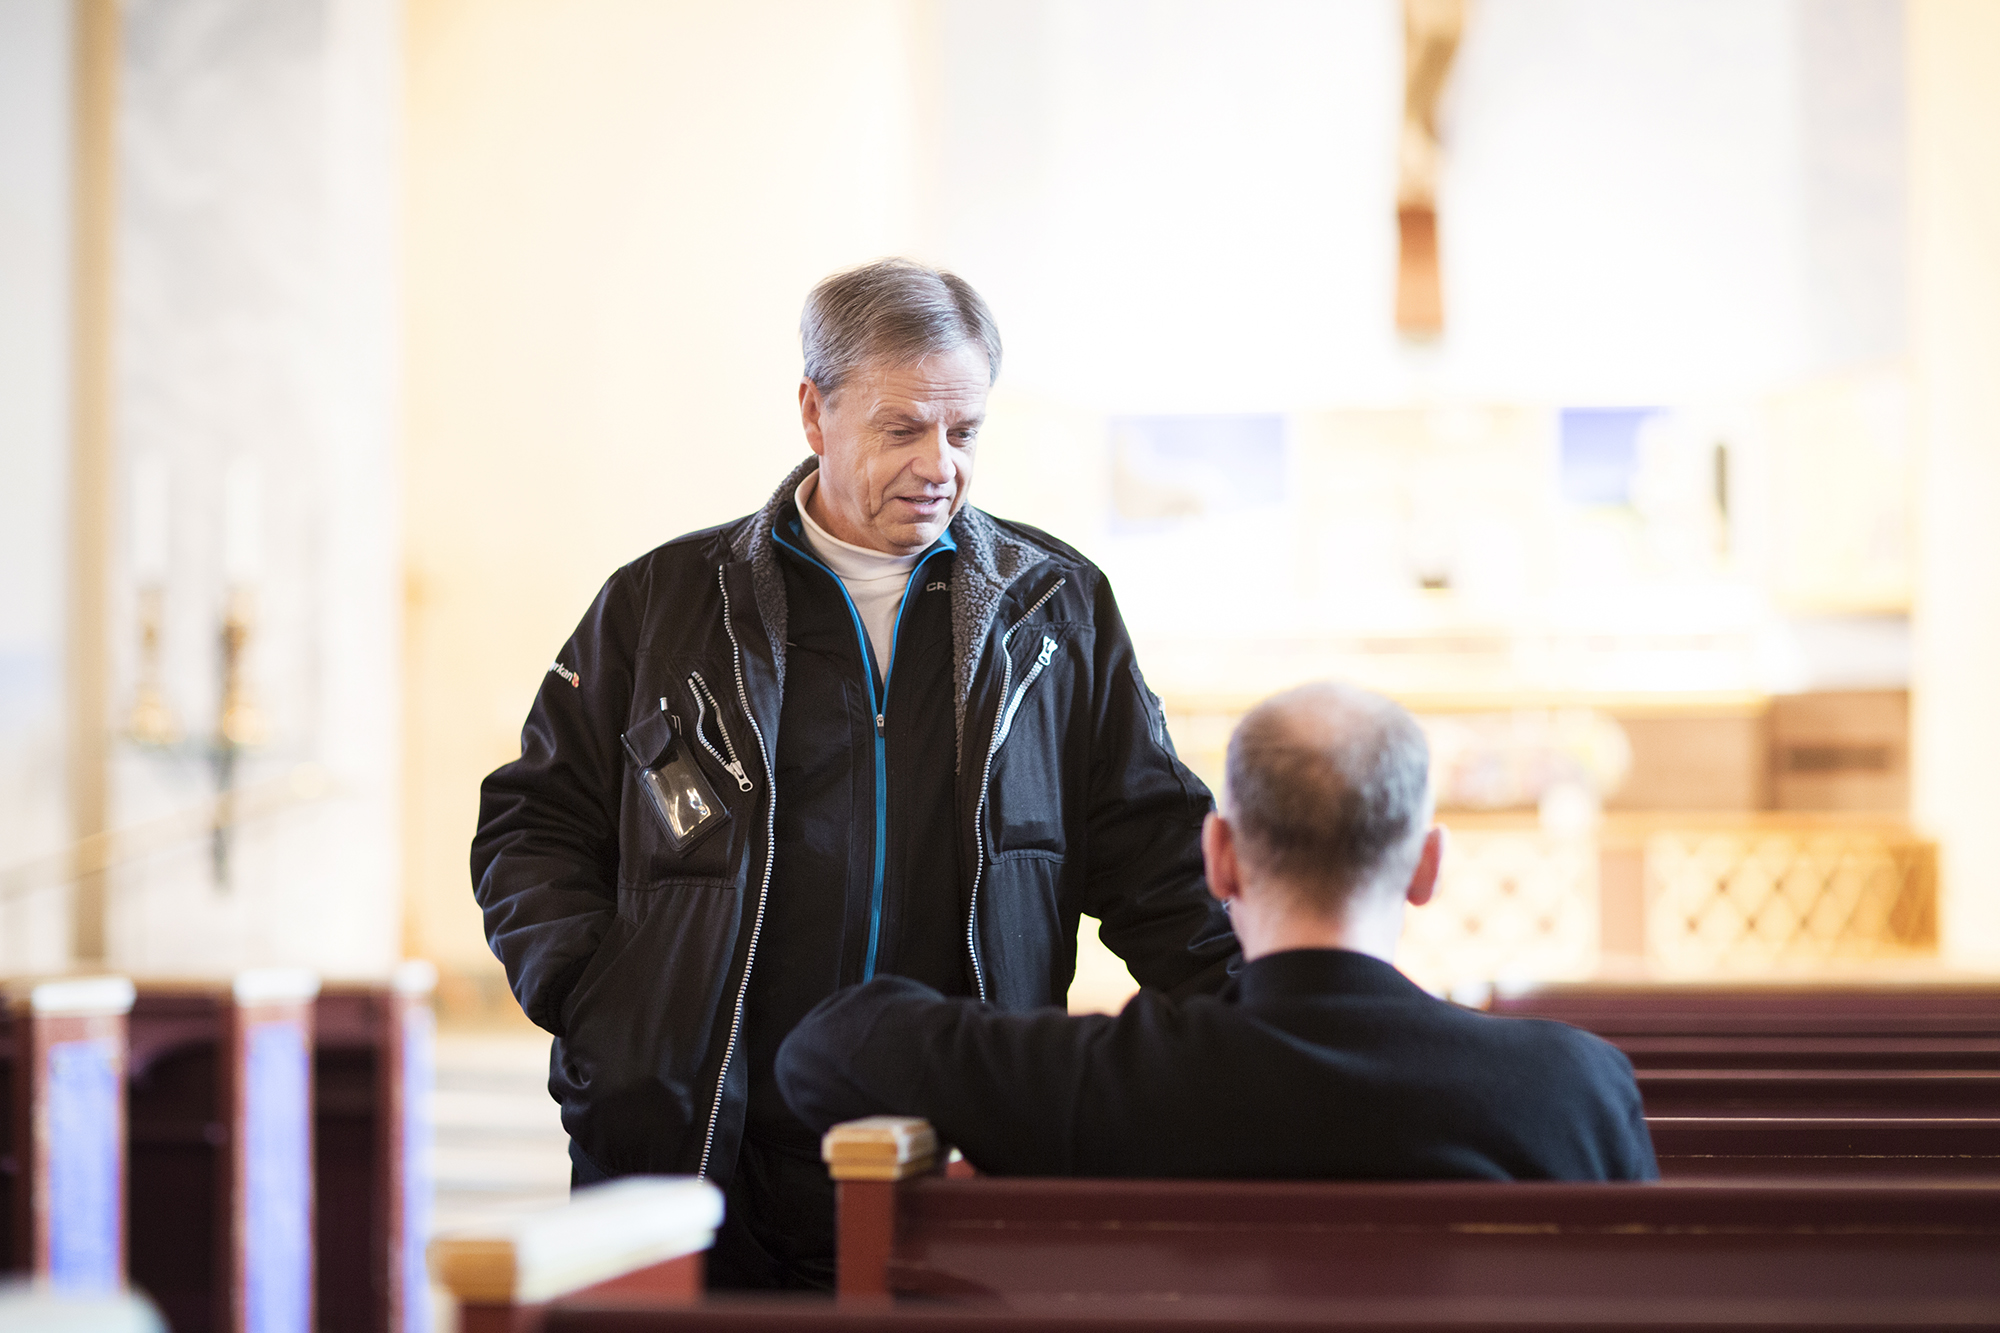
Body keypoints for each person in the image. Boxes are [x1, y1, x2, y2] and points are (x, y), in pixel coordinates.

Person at [470, 258, 1239, 1288]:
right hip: (697, 1145)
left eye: (963, 433)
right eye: (900, 428)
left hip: (961, 1156)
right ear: (812, 412)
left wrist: (1261, 1022)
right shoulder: (660, 606)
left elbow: (1153, 853)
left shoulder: (1052, 613)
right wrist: (604, 1002)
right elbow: (533, 823)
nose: (938, 465)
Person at [777, 682, 1658, 1182]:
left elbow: (825, 1049)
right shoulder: (1573, 1088)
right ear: (1427, 868)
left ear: (1221, 859)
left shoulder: (1103, 1085)